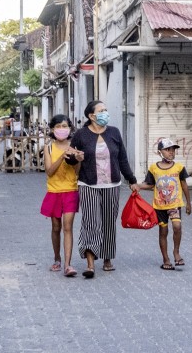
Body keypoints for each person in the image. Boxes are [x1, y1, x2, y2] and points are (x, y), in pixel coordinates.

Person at [69, 100, 137, 278]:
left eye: (106, 109)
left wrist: (131, 179)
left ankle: (107, 258)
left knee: (108, 223)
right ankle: (90, 264)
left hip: (112, 185)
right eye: (102, 110)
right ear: (92, 116)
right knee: (91, 222)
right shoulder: (81, 135)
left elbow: (122, 159)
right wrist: (76, 158)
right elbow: (70, 158)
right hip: (88, 184)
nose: (106, 113)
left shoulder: (114, 132)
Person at [133, 138, 192, 270]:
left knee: (177, 226)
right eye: (167, 150)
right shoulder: (154, 168)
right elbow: (150, 184)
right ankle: (166, 259)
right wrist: (138, 186)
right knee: (163, 231)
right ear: (160, 152)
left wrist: (188, 203)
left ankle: (176, 253)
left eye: (173, 150)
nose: (171, 152)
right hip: (159, 207)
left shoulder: (179, 167)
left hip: (175, 204)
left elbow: (184, 185)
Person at [40, 114, 80, 278]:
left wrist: (78, 159)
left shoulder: (74, 147)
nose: (62, 129)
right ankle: (57, 258)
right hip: (54, 191)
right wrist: (61, 157)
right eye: (58, 126)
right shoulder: (48, 148)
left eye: (64, 126)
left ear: (70, 128)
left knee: (67, 227)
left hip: (70, 190)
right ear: (52, 129)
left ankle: (67, 265)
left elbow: (77, 172)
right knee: (56, 227)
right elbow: (49, 171)